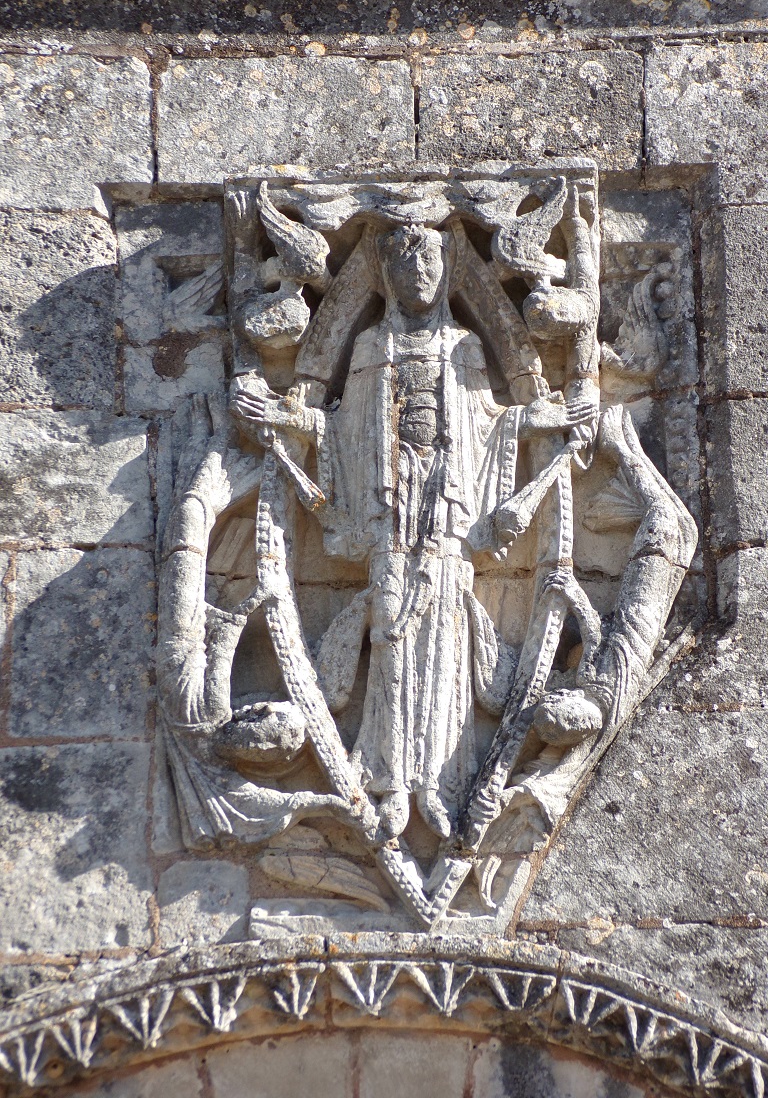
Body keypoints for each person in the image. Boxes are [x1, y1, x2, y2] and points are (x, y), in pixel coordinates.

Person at [232, 221, 596, 841]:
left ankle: (440, 780)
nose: (419, 275)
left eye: (430, 264)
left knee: (448, 640)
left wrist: (557, 414)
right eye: (405, 265)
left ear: (447, 273)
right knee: (393, 632)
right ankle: (393, 776)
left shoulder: (467, 348)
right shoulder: (371, 343)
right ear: (388, 277)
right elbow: (341, 428)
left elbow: (493, 420)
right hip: (388, 510)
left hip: (449, 512)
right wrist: (279, 416)